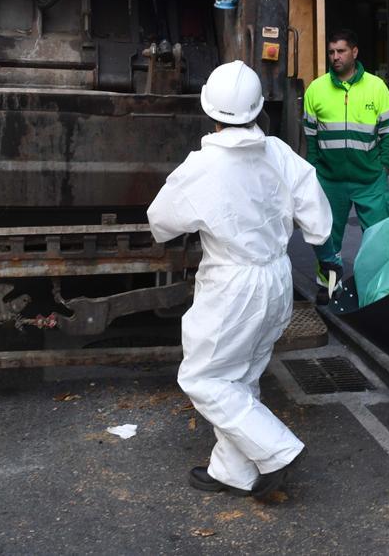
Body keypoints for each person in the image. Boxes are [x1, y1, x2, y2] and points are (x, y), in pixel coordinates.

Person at [148, 60, 333, 500]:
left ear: (209, 111)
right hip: (277, 276)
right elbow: (320, 224)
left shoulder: (201, 166)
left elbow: (161, 222)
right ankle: (231, 471)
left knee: (204, 379)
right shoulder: (281, 153)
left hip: (233, 284)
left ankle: (277, 450)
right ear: (257, 109)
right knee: (242, 376)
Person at [303, 29, 389, 293]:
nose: (335, 57)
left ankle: (380, 286)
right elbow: (310, 136)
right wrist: (316, 168)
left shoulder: (376, 87)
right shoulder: (316, 89)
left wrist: (385, 166)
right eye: (332, 52)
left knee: (380, 235)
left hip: (370, 179)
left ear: (354, 52)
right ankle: (328, 284)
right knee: (326, 236)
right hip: (330, 179)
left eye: (341, 51)